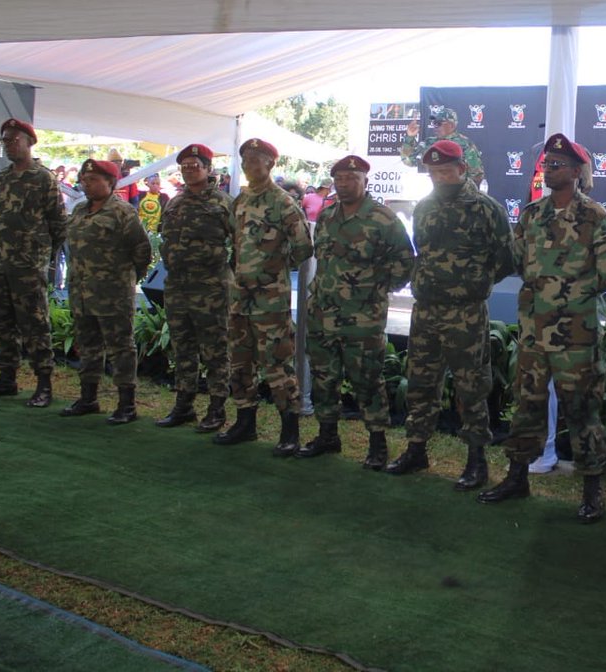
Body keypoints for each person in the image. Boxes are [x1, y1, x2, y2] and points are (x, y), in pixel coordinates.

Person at [478, 134, 606, 521]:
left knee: (582, 409)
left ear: (577, 173)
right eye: (547, 164)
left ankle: (592, 488)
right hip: (532, 331)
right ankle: (516, 475)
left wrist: (569, 289)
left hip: (576, 334)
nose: (549, 170)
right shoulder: (531, 215)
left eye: (558, 165)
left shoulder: (595, 217)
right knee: (526, 403)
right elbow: (514, 260)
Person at [386, 140, 515, 487]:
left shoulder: (486, 208)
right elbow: (423, 251)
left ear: (462, 169)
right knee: (420, 382)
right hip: (426, 310)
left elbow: (506, 258)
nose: (440, 177)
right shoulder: (426, 207)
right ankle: (416, 449)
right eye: (434, 172)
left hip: (465, 314)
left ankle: (476, 459)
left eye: (446, 170)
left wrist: (472, 282)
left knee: (471, 386)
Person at [297, 155, 415, 469]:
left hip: (362, 319)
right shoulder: (327, 215)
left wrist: (375, 290)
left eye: (352, 178)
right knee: (324, 378)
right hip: (323, 312)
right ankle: (327, 435)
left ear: (365, 180)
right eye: (340, 179)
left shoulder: (382, 218)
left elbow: (405, 261)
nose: (345, 184)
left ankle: (377, 444)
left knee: (368, 381)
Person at [214, 138, 314, 456]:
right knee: (240, 361)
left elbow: (303, 248)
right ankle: (245, 422)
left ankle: (289, 431)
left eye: (257, 160)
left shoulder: (283, 202)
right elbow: (235, 241)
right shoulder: (240, 199)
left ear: (270, 164)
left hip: (270, 298)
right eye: (246, 160)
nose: (249, 165)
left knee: (276, 363)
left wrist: (273, 271)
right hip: (240, 296)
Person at [0, 118, 67, 408]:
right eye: (5, 140)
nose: (9, 144)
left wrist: (44, 258)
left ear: (29, 141)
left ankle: (43, 383)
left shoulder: (43, 178)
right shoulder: (2, 178)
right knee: (2, 321)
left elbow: (58, 223)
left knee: (34, 323)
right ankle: (6, 378)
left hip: (28, 265)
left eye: (14, 139)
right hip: (1, 262)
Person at [60, 159, 153, 423]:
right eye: (84, 179)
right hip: (82, 293)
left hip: (113, 294)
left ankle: (127, 404)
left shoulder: (122, 212)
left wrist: (126, 278)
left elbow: (142, 249)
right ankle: (88, 398)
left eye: (92, 180)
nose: (85, 184)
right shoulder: (79, 211)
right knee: (88, 347)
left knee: (121, 348)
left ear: (109, 183)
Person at [154, 144, 234, 432]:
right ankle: (184, 404)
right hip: (177, 286)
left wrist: (227, 276)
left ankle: (216, 407)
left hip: (211, 288)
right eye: (185, 166)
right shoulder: (174, 202)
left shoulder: (224, 203)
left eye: (195, 165)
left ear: (208, 168)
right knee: (183, 346)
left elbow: (238, 244)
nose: (189, 170)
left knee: (215, 349)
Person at [401, 106, 485, 187]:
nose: (435, 127)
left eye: (438, 123)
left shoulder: (465, 145)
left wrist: (462, 193)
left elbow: (476, 175)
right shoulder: (429, 143)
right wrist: (410, 137)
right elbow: (409, 161)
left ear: (451, 125)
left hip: (455, 194)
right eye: (434, 123)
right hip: (432, 193)